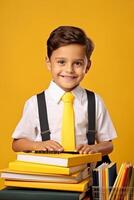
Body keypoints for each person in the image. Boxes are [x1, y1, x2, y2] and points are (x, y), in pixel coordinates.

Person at [12, 26, 117, 158]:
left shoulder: (95, 101)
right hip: (47, 175)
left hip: (85, 175)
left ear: (87, 66)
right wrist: (38, 145)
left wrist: (93, 148)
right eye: (61, 62)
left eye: (77, 63)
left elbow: (108, 144)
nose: (69, 70)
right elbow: (17, 144)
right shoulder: (35, 103)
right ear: (49, 63)